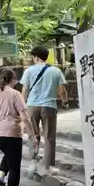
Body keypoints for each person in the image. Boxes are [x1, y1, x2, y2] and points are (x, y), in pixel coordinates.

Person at [20, 46, 69, 175]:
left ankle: (33, 163)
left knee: (33, 135)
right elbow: (62, 90)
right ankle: (49, 166)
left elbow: (25, 90)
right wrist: (65, 102)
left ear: (36, 57)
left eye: (33, 56)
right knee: (49, 137)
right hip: (49, 106)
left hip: (32, 106)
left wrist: (22, 105)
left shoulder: (29, 71)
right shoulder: (55, 71)